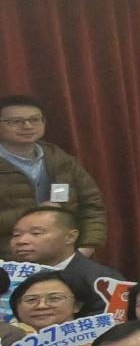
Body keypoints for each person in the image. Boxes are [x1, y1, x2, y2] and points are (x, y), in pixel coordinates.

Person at [0, 95, 111, 253]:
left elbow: (92, 207)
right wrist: (36, 211)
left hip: (67, 253)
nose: (27, 126)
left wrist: (86, 247)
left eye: (35, 119)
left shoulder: (60, 160)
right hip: (10, 258)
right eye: (15, 121)